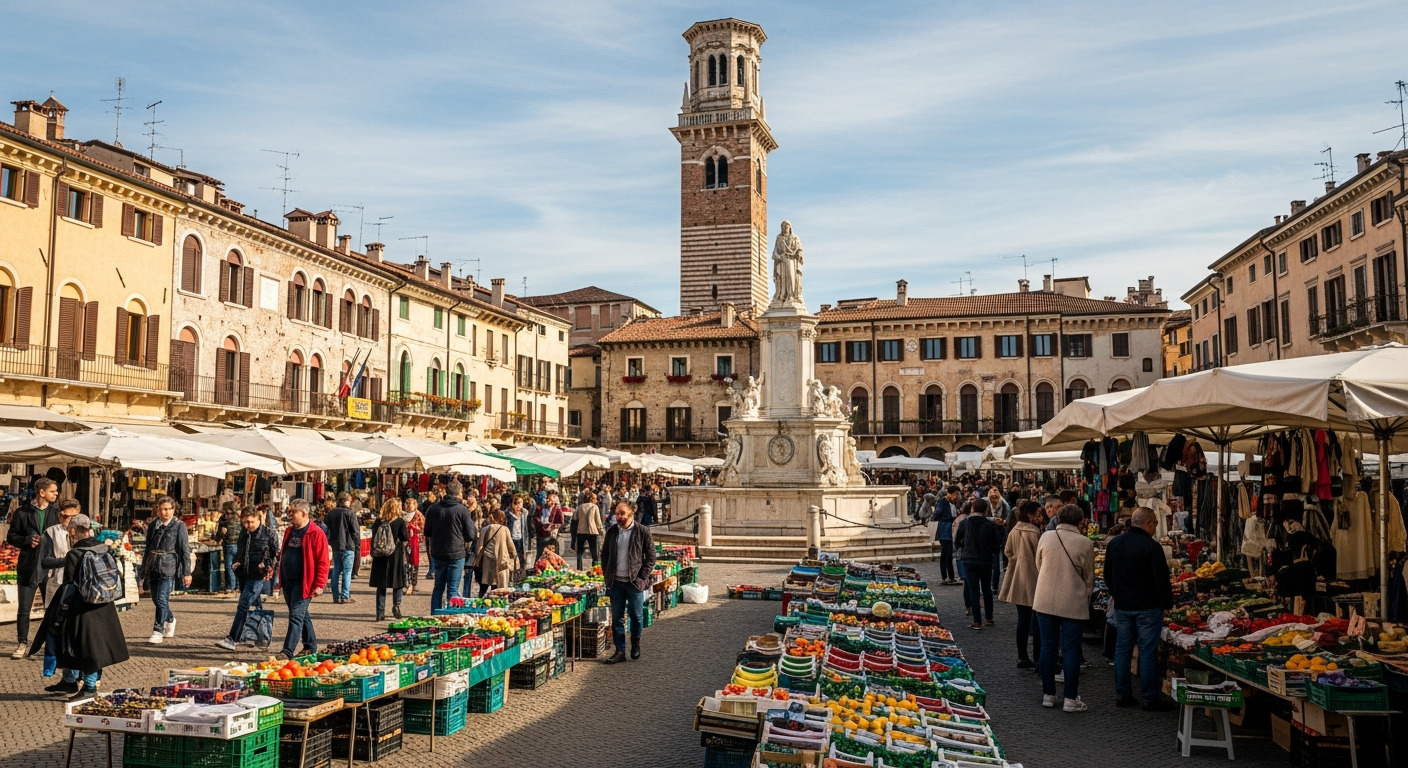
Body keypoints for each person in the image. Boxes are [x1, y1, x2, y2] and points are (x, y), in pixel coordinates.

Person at [31, 515, 129, 698]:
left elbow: (69, 583)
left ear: (74, 531)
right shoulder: (103, 548)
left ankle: (89, 687)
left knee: (82, 646)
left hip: (81, 607)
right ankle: (69, 681)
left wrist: (59, 611)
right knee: (93, 646)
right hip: (104, 605)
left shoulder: (75, 553)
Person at [1105, 507, 1174, 711]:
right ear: (1148, 523)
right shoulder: (1151, 547)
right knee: (1147, 651)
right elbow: (1161, 580)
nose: (1155, 528)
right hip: (1148, 607)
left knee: (1123, 649)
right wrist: (1167, 603)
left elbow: (1108, 575)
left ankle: (1122, 694)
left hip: (1123, 606)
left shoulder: (1115, 544)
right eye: (1155, 524)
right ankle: (1150, 698)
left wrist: (1117, 594)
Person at [1033, 503, 1096, 712]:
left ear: (1058, 518)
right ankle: (1070, 698)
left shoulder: (1046, 537)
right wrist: (1084, 594)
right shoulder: (1085, 543)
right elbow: (1089, 577)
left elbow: (1039, 564)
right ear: (1080, 521)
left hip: (1045, 600)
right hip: (1073, 602)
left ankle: (1048, 695)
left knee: (1048, 647)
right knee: (1070, 650)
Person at [9, 477, 60, 658]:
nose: (56, 494)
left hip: (51, 567)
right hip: (28, 566)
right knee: (24, 609)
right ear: (42, 492)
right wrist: (26, 540)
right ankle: (22, 643)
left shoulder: (56, 512)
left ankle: (52, 645)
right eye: (53, 491)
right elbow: (11, 536)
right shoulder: (22, 512)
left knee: (53, 609)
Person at [216, 507, 278, 652]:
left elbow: (276, 554)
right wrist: (237, 562)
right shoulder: (244, 533)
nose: (248, 525)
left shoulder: (269, 533)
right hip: (244, 574)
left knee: (243, 605)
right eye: (245, 522)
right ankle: (261, 637)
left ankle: (232, 638)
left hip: (258, 575)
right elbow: (241, 551)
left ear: (258, 519)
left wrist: (267, 565)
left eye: (251, 522)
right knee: (256, 606)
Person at [601, 501, 655, 664]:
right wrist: (607, 574)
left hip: (634, 583)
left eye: (622, 513)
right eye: (617, 513)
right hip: (616, 582)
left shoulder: (642, 531)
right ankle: (620, 651)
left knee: (636, 616)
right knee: (617, 618)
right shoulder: (612, 532)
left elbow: (651, 556)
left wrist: (641, 577)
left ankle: (636, 642)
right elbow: (605, 555)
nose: (619, 516)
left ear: (631, 514)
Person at [277, 499, 329, 659]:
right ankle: (310, 645)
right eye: (289, 512)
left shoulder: (316, 533)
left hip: (304, 582)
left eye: (293, 512)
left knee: (296, 616)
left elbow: (323, 561)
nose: (289, 515)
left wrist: (320, 584)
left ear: (304, 513)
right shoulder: (289, 531)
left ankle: (287, 651)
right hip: (288, 581)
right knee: (301, 614)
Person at [38, 500, 81, 677]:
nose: (68, 520)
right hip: (58, 582)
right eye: (64, 516)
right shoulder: (51, 533)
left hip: (79, 585)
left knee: (76, 626)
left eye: (72, 516)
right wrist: (66, 560)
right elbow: (45, 560)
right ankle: (53, 661)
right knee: (54, 625)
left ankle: (73, 669)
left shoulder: (86, 532)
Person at [998, 500, 1043, 669]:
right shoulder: (1035, 533)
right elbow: (1041, 557)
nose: (1039, 517)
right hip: (1033, 579)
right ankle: (1038, 657)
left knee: (1023, 619)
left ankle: (1022, 656)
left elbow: (1007, 551)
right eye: (1038, 514)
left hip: (1017, 578)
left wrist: (1016, 561)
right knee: (1037, 621)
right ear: (1030, 515)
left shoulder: (1014, 530)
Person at [141, 496, 191, 644]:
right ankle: (170, 619)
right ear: (158, 510)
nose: (165, 512)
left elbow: (184, 550)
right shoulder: (153, 525)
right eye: (163, 509)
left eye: (169, 509)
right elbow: (147, 548)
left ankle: (158, 630)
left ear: (173, 510)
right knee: (156, 599)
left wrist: (187, 572)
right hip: (153, 565)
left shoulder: (179, 526)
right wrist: (143, 572)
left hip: (169, 566)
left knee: (162, 598)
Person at [425, 481, 477, 611]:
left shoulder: (434, 508)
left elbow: (427, 532)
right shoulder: (462, 510)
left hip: (438, 552)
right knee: (453, 589)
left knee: (438, 587)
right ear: (459, 493)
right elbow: (471, 535)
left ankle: (435, 616)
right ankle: (451, 617)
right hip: (456, 553)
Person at [955, 498, 1001, 630]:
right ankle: (989, 617)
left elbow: (957, 541)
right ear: (986, 510)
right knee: (986, 589)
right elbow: (997, 543)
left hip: (969, 560)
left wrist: (964, 546)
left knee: (973, 590)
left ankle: (977, 621)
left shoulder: (964, 523)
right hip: (985, 560)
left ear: (972, 509)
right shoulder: (990, 525)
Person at [369, 498, 410, 621]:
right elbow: (404, 538)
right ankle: (396, 606)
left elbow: (374, 536)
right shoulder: (399, 521)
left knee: (381, 585)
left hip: (380, 556)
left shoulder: (378, 521)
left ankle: (379, 612)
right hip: (395, 556)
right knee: (398, 583)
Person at [324, 492, 360, 605]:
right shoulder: (349, 513)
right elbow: (355, 531)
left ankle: (336, 595)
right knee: (347, 571)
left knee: (336, 570)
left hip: (335, 545)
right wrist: (356, 544)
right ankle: (345, 595)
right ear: (347, 501)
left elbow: (326, 528)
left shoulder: (330, 513)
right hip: (348, 545)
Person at [474, 509, 519, 597]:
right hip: (501, 563)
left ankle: (481, 601)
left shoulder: (484, 529)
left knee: (484, 587)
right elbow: (511, 547)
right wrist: (514, 558)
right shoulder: (505, 529)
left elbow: (479, 547)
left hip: (487, 563)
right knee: (500, 590)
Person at [214, 502, 242, 595]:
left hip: (232, 545)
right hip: (233, 546)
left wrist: (219, 537)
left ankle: (232, 586)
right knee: (235, 566)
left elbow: (219, 535)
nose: (227, 515)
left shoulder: (224, 520)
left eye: (229, 513)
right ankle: (236, 586)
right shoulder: (240, 518)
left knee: (230, 567)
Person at [933, 486, 959, 585]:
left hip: (949, 530)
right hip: (945, 530)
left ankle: (951, 577)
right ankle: (945, 577)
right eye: (956, 494)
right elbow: (937, 515)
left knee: (949, 554)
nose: (957, 496)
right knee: (945, 554)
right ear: (951, 493)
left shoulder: (951, 503)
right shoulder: (943, 502)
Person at [574, 491, 603, 569]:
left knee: (580, 553)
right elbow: (598, 521)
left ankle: (579, 569)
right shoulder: (595, 507)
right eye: (595, 499)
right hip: (592, 532)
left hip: (581, 531)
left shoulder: (579, 507)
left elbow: (575, 518)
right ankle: (595, 570)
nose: (596, 500)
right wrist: (601, 530)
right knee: (595, 554)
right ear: (592, 499)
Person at [533, 491, 566, 557]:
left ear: (554, 500)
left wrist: (552, 526)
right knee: (540, 554)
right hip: (541, 535)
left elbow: (561, 522)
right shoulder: (540, 508)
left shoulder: (557, 509)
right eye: (547, 498)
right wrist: (540, 524)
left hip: (551, 536)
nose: (547, 500)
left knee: (551, 555)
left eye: (550, 499)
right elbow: (536, 518)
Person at [402, 498, 424, 596]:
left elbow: (423, 528)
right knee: (405, 563)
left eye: (410, 504)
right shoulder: (402, 515)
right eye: (407, 504)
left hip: (415, 541)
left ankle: (413, 584)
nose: (408, 506)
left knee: (414, 562)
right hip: (403, 542)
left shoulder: (418, 515)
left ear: (415, 505)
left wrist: (415, 529)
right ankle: (406, 583)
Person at [505, 493, 528, 563]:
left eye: (520, 503)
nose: (518, 505)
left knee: (522, 558)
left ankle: (521, 568)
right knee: (511, 557)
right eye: (516, 503)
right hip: (511, 538)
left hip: (521, 538)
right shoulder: (508, 514)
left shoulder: (524, 513)